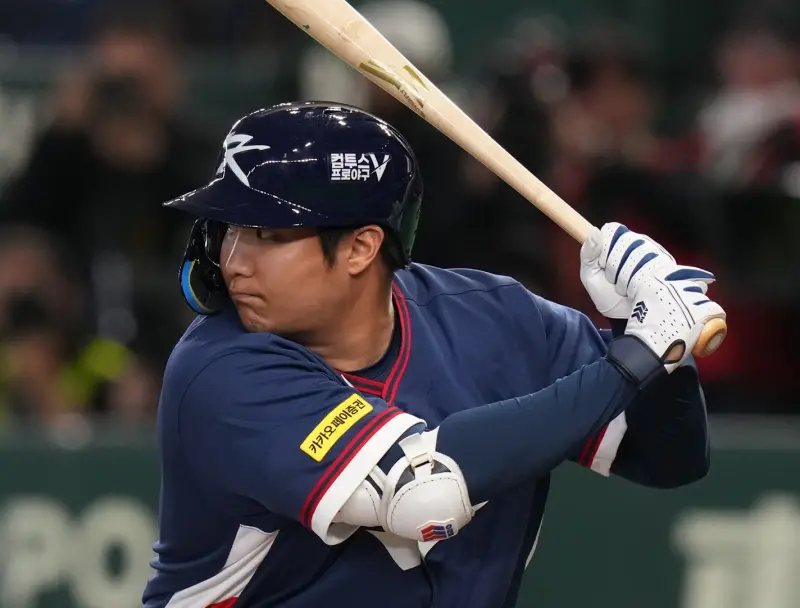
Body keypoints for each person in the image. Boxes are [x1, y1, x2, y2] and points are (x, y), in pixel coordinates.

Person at [142, 102, 726, 608]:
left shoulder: (500, 320)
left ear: (360, 247)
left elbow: (670, 457)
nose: (233, 261)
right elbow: (425, 495)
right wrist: (640, 351)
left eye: (267, 235)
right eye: (229, 229)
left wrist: (658, 341)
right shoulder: (218, 368)